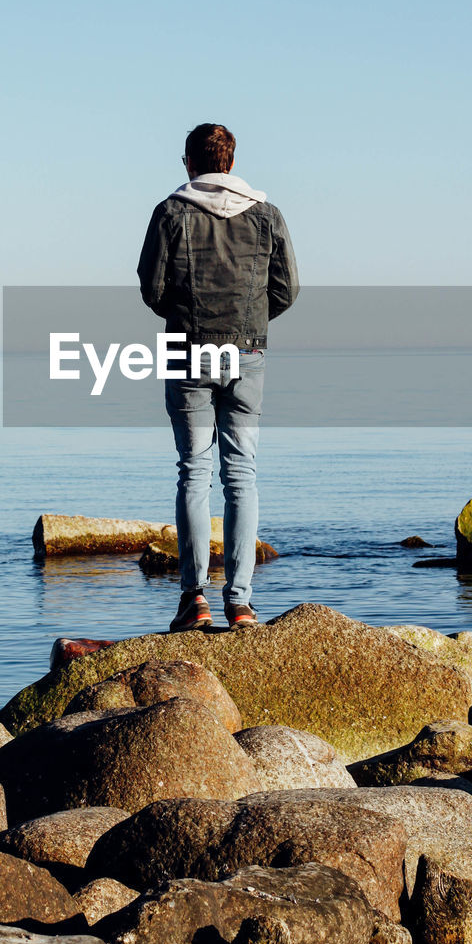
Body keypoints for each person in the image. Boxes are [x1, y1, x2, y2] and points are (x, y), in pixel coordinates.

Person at [137, 123, 299, 632]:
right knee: (242, 476)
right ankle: (241, 603)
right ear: (230, 162)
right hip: (247, 353)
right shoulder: (267, 214)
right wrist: (248, 322)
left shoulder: (170, 212)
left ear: (190, 162)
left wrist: (188, 317)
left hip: (188, 348)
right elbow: (287, 288)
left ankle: (195, 600)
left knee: (193, 471)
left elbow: (151, 287)